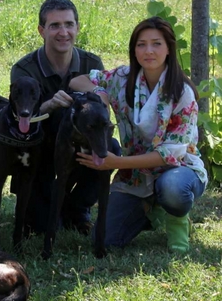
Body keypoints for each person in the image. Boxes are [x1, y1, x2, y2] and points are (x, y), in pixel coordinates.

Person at [70, 16, 207, 253]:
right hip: (136, 176)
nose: (148, 51)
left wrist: (116, 163)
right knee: (103, 241)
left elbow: (170, 153)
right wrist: (99, 92)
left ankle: (176, 217)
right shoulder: (123, 79)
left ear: (169, 49)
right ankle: (150, 210)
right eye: (141, 44)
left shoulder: (182, 91)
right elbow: (77, 80)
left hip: (178, 169)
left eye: (156, 44)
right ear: (134, 50)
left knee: (173, 188)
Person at [11, 0, 115, 235]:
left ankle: (77, 206)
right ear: (41, 30)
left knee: (112, 147)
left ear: (77, 27)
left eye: (69, 24)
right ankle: (42, 205)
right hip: (40, 147)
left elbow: (102, 110)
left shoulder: (92, 62)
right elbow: (18, 120)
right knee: (42, 224)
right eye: (55, 25)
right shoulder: (24, 68)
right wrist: (48, 106)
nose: (63, 32)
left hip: (80, 142)